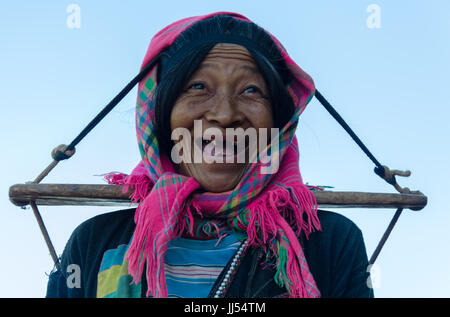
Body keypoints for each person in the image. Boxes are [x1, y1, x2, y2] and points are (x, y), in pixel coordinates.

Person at [46, 12, 374, 298]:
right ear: (158, 115)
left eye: (251, 91)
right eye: (198, 87)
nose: (225, 114)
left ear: (278, 125)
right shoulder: (94, 244)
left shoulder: (330, 242)